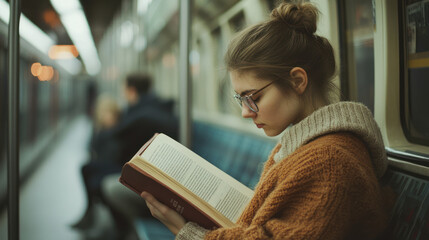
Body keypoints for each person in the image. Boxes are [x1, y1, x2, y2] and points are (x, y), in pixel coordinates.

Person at [139, 2, 393, 239]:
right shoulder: (305, 147)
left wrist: (189, 232)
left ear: (297, 81)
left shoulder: (328, 162)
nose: (245, 113)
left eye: (254, 97)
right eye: (241, 100)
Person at [72, 73, 178, 233]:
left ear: (131, 90)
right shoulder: (149, 109)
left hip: (142, 171)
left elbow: (115, 135)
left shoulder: (141, 113)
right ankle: (93, 216)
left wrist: (100, 131)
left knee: (96, 176)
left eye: (124, 89)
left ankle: (118, 228)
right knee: (89, 169)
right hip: (139, 165)